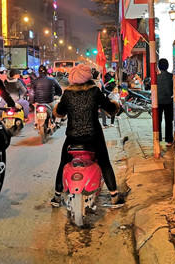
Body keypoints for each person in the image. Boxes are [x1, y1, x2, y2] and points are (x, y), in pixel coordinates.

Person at [52, 64, 125, 207]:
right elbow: (110, 108)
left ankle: (56, 196)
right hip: (93, 136)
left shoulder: (67, 93)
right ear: (88, 77)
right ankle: (114, 197)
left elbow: (59, 112)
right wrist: (116, 106)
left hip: (72, 137)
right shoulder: (94, 91)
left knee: (63, 163)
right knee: (104, 162)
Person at [157, 58, 174, 146]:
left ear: (159, 66)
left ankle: (158, 138)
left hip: (158, 102)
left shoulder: (156, 77)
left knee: (158, 121)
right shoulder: (171, 76)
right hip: (169, 102)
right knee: (168, 121)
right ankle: (169, 140)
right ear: (167, 66)